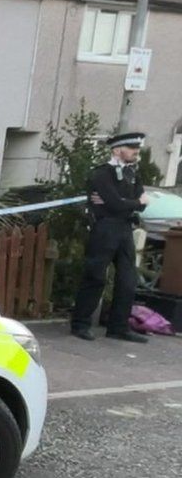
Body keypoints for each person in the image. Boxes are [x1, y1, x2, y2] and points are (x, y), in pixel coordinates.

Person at [71, 132, 150, 343]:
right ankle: (80, 324)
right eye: (132, 148)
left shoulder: (133, 173)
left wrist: (127, 202)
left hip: (124, 228)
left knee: (127, 279)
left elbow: (142, 202)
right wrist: (131, 202)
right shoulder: (101, 174)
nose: (136, 152)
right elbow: (117, 203)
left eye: (137, 148)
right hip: (104, 228)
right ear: (117, 150)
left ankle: (118, 327)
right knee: (95, 276)